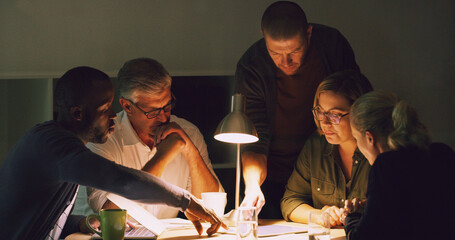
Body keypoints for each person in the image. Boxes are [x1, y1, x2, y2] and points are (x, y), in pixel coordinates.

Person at [0, 66, 226, 240]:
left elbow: (48, 219)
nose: (112, 117)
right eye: (105, 109)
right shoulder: (55, 146)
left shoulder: (59, 143)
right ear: (78, 113)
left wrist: (83, 223)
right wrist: (185, 201)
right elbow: (122, 181)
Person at [235, 1, 360, 218]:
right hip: (274, 172)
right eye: (275, 52)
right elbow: (256, 139)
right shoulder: (252, 65)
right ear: (263, 36)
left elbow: (356, 102)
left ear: (308, 33)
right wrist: (253, 185)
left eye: (295, 50)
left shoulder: (332, 47)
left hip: (329, 167)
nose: (286, 61)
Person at [86, 57, 223, 219]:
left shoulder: (187, 132)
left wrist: (190, 152)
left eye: (167, 106)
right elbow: (110, 215)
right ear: (127, 106)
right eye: (153, 112)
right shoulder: (105, 139)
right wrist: (163, 156)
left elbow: (211, 208)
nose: (164, 118)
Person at [343, 91, 455, 240]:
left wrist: (352, 216)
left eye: (356, 138)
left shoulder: (386, 166)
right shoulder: (442, 152)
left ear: (370, 138)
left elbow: (363, 237)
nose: (357, 145)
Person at [280, 70, 372, 226]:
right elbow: (290, 201)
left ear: (360, 114)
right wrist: (320, 215)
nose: (324, 122)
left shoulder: (379, 151)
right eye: (320, 112)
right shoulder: (316, 145)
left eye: (334, 115)